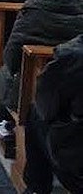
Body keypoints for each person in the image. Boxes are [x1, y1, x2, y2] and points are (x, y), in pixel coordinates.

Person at [0, 0, 83, 139]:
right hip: (77, 87)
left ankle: (4, 119)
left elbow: (11, 55)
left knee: (3, 73)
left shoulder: (32, 9)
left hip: (34, 86)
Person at [23, 34, 83, 194]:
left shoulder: (74, 56)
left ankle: (37, 188)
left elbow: (45, 106)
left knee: (36, 113)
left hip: (77, 168)